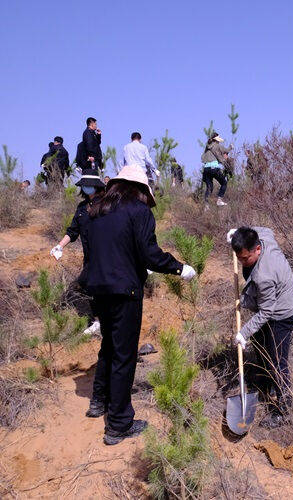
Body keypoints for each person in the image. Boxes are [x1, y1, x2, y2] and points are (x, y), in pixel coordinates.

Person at [84, 165, 197, 445]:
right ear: (140, 189)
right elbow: (150, 254)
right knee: (124, 356)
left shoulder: (98, 210)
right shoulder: (139, 211)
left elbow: (107, 249)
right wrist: (179, 269)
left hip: (99, 288)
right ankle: (119, 425)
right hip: (124, 291)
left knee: (108, 346)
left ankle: (99, 401)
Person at [227, 226, 293, 429]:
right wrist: (236, 233)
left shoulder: (264, 276)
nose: (242, 262)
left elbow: (267, 312)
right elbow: (264, 229)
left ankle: (283, 411)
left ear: (257, 249)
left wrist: (244, 332)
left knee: (277, 362)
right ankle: (265, 382)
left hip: (282, 316)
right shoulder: (264, 237)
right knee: (260, 345)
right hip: (270, 309)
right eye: (238, 258)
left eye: (245, 258)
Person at [50, 168, 106, 336]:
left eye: (90, 185)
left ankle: (101, 321)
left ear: (96, 186)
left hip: (106, 256)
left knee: (92, 287)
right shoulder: (82, 208)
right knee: (86, 288)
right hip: (89, 258)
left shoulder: (106, 206)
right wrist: (60, 246)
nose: (87, 188)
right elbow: (73, 231)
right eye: (85, 185)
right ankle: (97, 321)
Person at [201, 132, 231, 206]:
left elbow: (202, 157)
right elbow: (226, 150)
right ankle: (219, 200)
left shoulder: (207, 146)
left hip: (206, 169)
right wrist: (231, 147)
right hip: (214, 168)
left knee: (209, 187)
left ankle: (206, 206)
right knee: (224, 183)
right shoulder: (217, 146)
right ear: (216, 139)